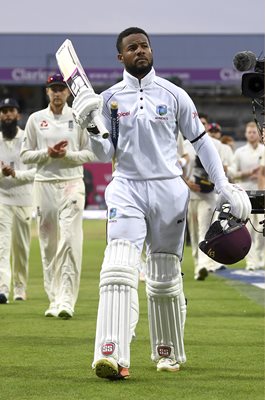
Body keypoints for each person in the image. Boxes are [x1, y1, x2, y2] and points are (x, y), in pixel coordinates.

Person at [71, 27, 251, 379]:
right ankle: (112, 355)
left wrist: (223, 185)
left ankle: (167, 353)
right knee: (118, 266)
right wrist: (91, 129)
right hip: (126, 186)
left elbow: (201, 143)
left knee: (165, 276)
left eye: (145, 46)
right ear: (119, 56)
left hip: (169, 189)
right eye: (132, 47)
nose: (141, 51)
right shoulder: (107, 99)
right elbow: (105, 152)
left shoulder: (174, 95)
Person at [20, 73, 96, 318]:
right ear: (47, 92)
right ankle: (53, 300)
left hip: (72, 183)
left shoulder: (78, 117)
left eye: (61, 89)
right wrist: (47, 154)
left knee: (71, 241)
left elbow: (91, 153)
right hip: (43, 185)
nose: (57, 93)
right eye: (53, 89)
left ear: (68, 92)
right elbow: (25, 155)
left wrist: (67, 157)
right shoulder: (35, 119)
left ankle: (67, 300)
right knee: (48, 244)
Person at [183, 113, 228, 280]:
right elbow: (176, 169)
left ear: (207, 126)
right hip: (190, 196)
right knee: (193, 234)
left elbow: (224, 169)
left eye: (203, 123)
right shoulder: (185, 145)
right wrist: (187, 182)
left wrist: (210, 183)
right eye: (198, 122)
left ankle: (203, 265)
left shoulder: (215, 145)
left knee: (204, 230)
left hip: (208, 197)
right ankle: (198, 265)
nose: (200, 125)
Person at [0, 98, 35, 304]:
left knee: (21, 248)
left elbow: (36, 171)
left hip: (24, 199)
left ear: (18, 115)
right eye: (3, 111)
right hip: (2, 199)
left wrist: (15, 174)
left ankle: (20, 288)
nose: (6, 115)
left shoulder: (27, 140)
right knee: (2, 246)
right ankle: (2, 289)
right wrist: (3, 174)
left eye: (10, 110)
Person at [228, 121, 265, 270]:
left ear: (259, 134)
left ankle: (261, 258)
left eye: (254, 132)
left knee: (262, 229)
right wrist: (247, 174)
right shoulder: (240, 152)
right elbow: (231, 173)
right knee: (247, 230)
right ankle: (251, 262)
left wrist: (261, 176)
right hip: (245, 195)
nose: (251, 134)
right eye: (249, 132)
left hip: (262, 194)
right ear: (245, 134)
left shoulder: (263, 150)